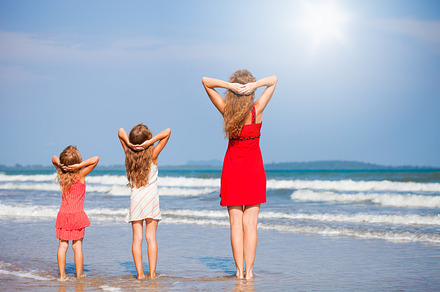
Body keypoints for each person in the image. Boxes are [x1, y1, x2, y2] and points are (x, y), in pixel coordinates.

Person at [202, 70, 277, 279]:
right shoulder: (257, 110)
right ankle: (249, 272)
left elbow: (206, 82)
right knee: (250, 225)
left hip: (233, 171)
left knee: (236, 225)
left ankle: (238, 272)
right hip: (253, 171)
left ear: (234, 92)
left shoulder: (227, 111)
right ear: (250, 92)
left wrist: (230, 86)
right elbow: (273, 80)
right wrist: (254, 86)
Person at [118, 123, 171, 279]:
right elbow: (167, 131)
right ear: (146, 141)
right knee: (151, 238)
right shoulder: (153, 155)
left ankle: (140, 274)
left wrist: (129, 144)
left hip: (136, 199)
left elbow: (120, 131)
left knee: (137, 239)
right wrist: (150, 142)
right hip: (151, 199)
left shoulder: (128, 153)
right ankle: (152, 274)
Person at [52, 145, 99, 279]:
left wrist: (61, 165)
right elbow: (95, 159)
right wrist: (80, 166)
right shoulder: (80, 174)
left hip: (63, 215)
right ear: (77, 162)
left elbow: (53, 158)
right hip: (77, 215)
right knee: (77, 247)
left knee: (62, 246)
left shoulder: (62, 173)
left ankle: (62, 276)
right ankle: (79, 276)